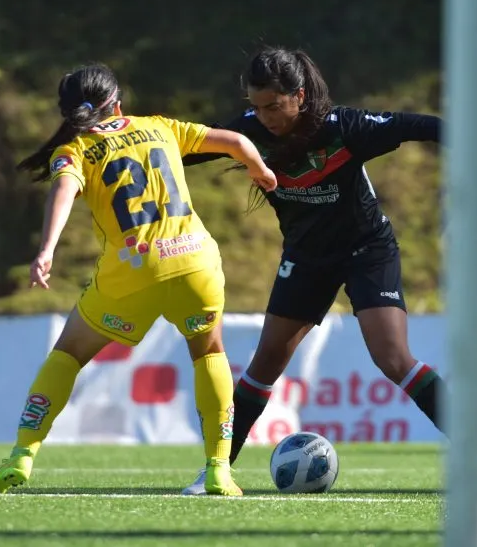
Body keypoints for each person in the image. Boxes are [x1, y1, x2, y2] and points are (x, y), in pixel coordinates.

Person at [0, 64, 276, 496]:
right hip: (195, 262)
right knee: (209, 354)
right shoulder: (159, 126)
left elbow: (62, 191)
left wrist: (47, 250)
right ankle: (217, 470)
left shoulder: (75, 148)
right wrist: (259, 169)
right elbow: (235, 140)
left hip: (132, 272)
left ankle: (21, 456)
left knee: (68, 354)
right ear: (117, 101)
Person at [179, 47, 446, 494]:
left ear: (299, 95)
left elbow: (415, 125)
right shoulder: (247, 133)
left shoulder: (344, 128)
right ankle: (215, 471)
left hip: (367, 251)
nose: (263, 116)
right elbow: (180, 149)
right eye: (255, 106)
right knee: (263, 367)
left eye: (273, 106)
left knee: (393, 358)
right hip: (305, 258)